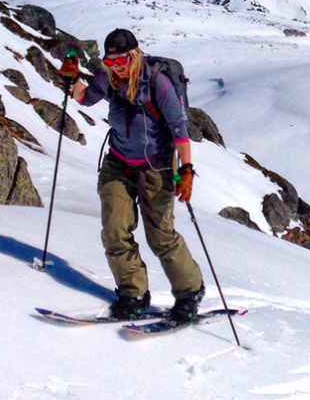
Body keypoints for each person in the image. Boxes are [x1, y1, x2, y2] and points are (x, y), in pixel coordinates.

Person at [58, 28, 205, 322]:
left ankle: (190, 291)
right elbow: (85, 99)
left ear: (134, 55)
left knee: (160, 236)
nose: (117, 66)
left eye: (122, 60)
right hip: (119, 161)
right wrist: (72, 81)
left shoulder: (158, 85)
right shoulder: (108, 78)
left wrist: (186, 170)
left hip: (158, 165)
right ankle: (133, 294)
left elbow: (180, 130)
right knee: (115, 230)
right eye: (110, 61)